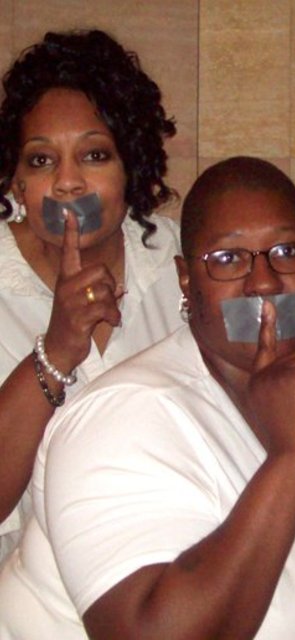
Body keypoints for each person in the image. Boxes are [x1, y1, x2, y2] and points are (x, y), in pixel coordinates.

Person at [0, 156, 295, 639]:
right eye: (228, 259)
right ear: (185, 280)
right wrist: (290, 456)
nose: (264, 282)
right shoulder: (123, 418)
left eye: (287, 252)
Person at [0, 29, 182, 563]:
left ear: (133, 168)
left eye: (94, 155)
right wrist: (56, 350)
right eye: (41, 161)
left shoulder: (178, 262)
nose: (67, 183)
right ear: (14, 181)